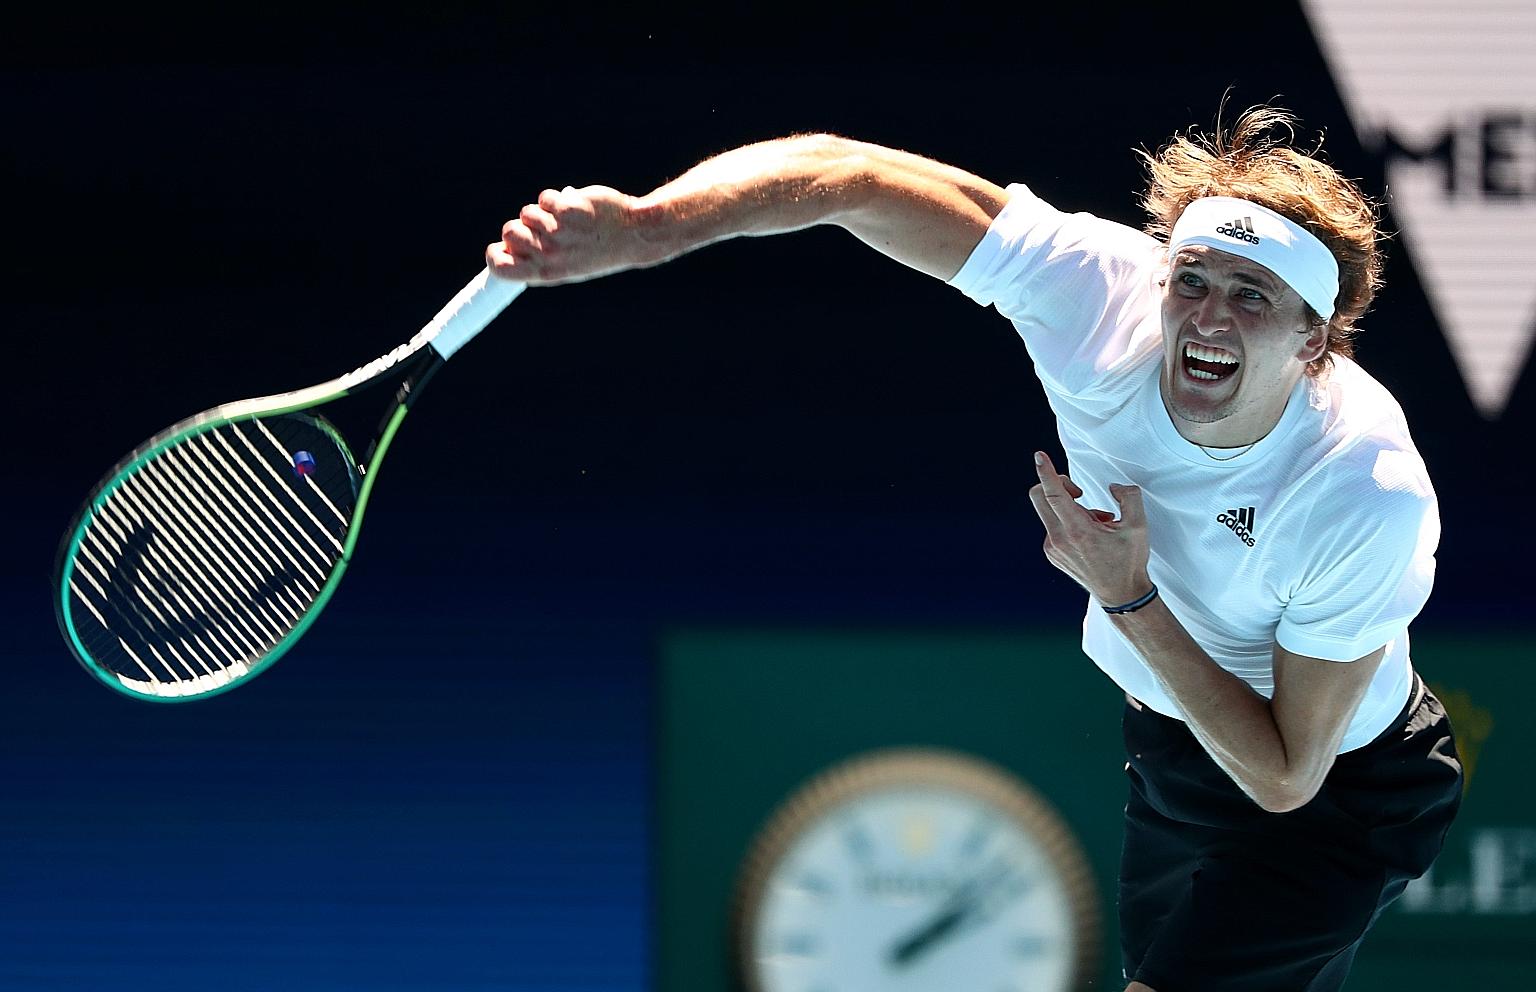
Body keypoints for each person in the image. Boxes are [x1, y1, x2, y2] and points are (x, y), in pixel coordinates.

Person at [487, 105, 1462, 991]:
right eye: (1193, 280)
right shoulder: (1097, 298)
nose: (1207, 316)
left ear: (1315, 338)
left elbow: (1288, 772)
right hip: (1177, 748)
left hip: (1344, 792)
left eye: (1252, 297)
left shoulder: (1360, 489)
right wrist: (651, 227)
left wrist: (1130, 598)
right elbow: (847, 172)